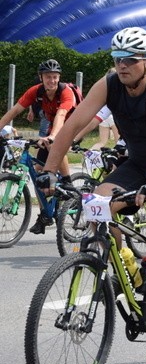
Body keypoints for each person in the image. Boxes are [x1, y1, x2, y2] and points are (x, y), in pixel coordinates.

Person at [36, 27, 146, 357]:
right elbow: (71, 126)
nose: (122, 65)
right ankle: (133, 269)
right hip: (139, 163)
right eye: (117, 59)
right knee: (97, 204)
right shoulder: (110, 83)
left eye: (129, 60)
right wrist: (49, 172)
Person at [0, 58, 76, 234]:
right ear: (40, 77)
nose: (52, 80)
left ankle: (68, 182)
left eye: (55, 77)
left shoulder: (66, 92)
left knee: (55, 144)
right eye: (48, 77)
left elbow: (61, 115)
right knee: (38, 171)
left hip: (74, 124)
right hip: (53, 126)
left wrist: (52, 136)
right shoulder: (36, 91)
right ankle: (44, 214)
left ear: (59, 77)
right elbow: (14, 111)